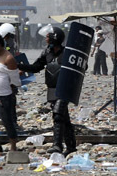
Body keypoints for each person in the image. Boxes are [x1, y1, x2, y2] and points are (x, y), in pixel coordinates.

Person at [18, 26, 77, 155]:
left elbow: (79, 67)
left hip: (64, 89)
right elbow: (36, 67)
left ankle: (57, 145)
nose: (45, 38)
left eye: (47, 36)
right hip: (51, 90)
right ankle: (71, 146)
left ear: (54, 38)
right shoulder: (47, 53)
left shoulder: (67, 53)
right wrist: (19, 65)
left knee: (57, 114)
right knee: (63, 118)